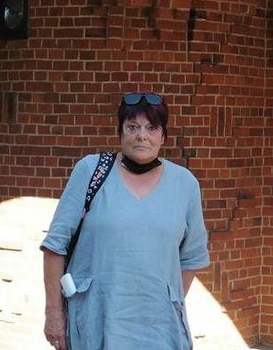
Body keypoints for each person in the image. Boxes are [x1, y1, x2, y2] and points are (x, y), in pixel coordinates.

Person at [41, 92, 209, 350]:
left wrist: (161, 299)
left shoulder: (185, 184)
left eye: (152, 128)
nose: (142, 135)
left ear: (163, 136)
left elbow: (192, 258)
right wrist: (54, 314)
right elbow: (55, 246)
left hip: (160, 329)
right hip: (95, 323)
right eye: (133, 127)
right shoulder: (91, 171)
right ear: (120, 132)